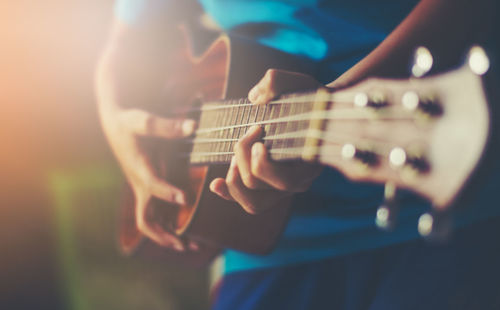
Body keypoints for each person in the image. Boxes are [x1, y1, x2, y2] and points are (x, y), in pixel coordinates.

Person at [96, 0, 500, 309]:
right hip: (268, 240)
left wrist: (335, 99)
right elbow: (123, 46)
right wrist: (119, 130)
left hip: (447, 177)